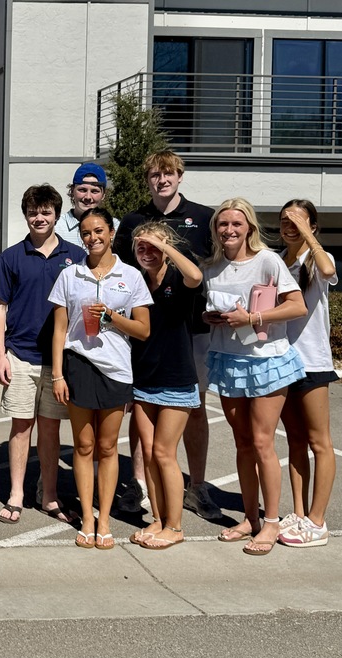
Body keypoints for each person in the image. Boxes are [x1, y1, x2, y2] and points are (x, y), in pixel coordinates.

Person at [115, 150, 220, 520]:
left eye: (169, 173)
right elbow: (119, 269)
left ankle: (197, 487)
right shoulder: (133, 220)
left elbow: (210, 270)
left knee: (194, 408)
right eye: (156, 174)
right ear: (148, 179)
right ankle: (140, 485)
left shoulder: (204, 217)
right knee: (141, 406)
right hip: (144, 330)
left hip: (192, 329)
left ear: (179, 176)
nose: (162, 180)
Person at [202, 197, 307, 556]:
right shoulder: (212, 266)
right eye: (222, 224)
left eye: (236, 224)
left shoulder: (268, 260)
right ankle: (250, 518)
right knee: (243, 443)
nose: (229, 230)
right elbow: (213, 308)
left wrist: (252, 319)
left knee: (263, 443)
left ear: (249, 227)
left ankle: (273, 521)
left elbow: (297, 306)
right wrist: (211, 318)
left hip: (266, 361)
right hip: (228, 358)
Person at [49, 207, 152, 550]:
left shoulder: (131, 276)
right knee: (83, 446)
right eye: (86, 233)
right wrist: (58, 374)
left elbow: (143, 330)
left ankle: (104, 519)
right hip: (79, 364)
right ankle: (88, 519)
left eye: (98, 231)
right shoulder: (70, 275)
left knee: (107, 448)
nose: (92, 238)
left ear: (111, 233)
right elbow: (60, 329)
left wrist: (111, 317)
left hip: (116, 369)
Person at [0, 185, 85, 524]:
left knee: (50, 429)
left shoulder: (76, 255)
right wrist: (0, 354)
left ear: (57, 215)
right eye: (33, 212)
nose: (39, 217)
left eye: (46, 211)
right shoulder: (12, 257)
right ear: (26, 215)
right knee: (20, 426)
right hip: (20, 354)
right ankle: (16, 493)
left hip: (59, 360)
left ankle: (48, 496)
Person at [128, 221, 203, 550]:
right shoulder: (138, 283)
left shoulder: (178, 279)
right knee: (148, 453)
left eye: (152, 247)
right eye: (140, 248)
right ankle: (158, 520)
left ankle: (175, 526)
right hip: (144, 379)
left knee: (164, 452)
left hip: (176, 379)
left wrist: (164, 246)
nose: (147, 253)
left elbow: (197, 277)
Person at [276, 199, 338, 548]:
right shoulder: (277, 261)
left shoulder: (316, 258)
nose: (290, 226)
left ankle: (318, 521)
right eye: (285, 220)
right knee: (295, 441)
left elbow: (329, 272)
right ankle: (299, 513)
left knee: (320, 442)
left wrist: (308, 236)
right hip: (282, 360)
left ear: (312, 225)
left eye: (298, 220)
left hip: (313, 362)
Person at [56, 163, 117, 248]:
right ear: (72, 191)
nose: (88, 197)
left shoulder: (115, 226)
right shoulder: (57, 227)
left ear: (103, 195)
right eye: (82, 190)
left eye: (94, 191)